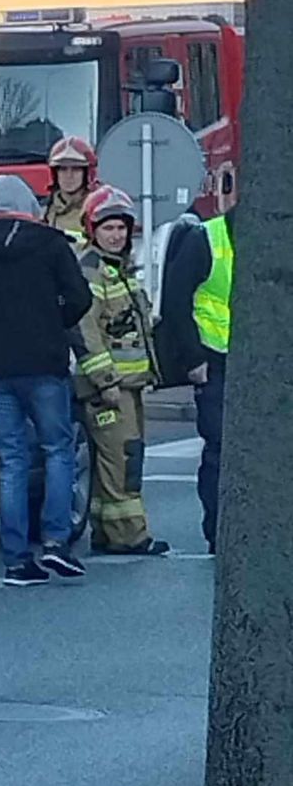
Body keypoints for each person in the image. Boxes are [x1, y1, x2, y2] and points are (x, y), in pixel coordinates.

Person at [0, 174, 93, 587]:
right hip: (43, 361)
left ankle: (15, 560)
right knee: (57, 449)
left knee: (11, 460)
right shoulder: (51, 244)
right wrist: (54, 319)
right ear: (29, 205)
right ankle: (55, 541)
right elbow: (80, 298)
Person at [74, 185, 169, 557]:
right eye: (108, 228)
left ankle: (107, 531)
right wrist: (106, 381)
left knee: (115, 462)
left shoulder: (117, 270)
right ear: (92, 229)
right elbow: (86, 331)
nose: (116, 235)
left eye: (121, 228)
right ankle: (130, 535)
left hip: (128, 386)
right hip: (109, 389)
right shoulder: (93, 272)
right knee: (123, 460)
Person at [159, 207, 234, 553]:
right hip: (216, 360)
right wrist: (193, 358)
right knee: (220, 448)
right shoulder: (207, 237)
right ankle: (219, 532)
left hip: (267, 363)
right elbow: (175, 300)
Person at [43, 136, 97, 244]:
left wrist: (58, 236)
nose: (69, 175)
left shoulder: (98, 207)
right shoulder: (45, 210)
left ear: (86, 173)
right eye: (63, 169)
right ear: (55, 173)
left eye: (76, 169)